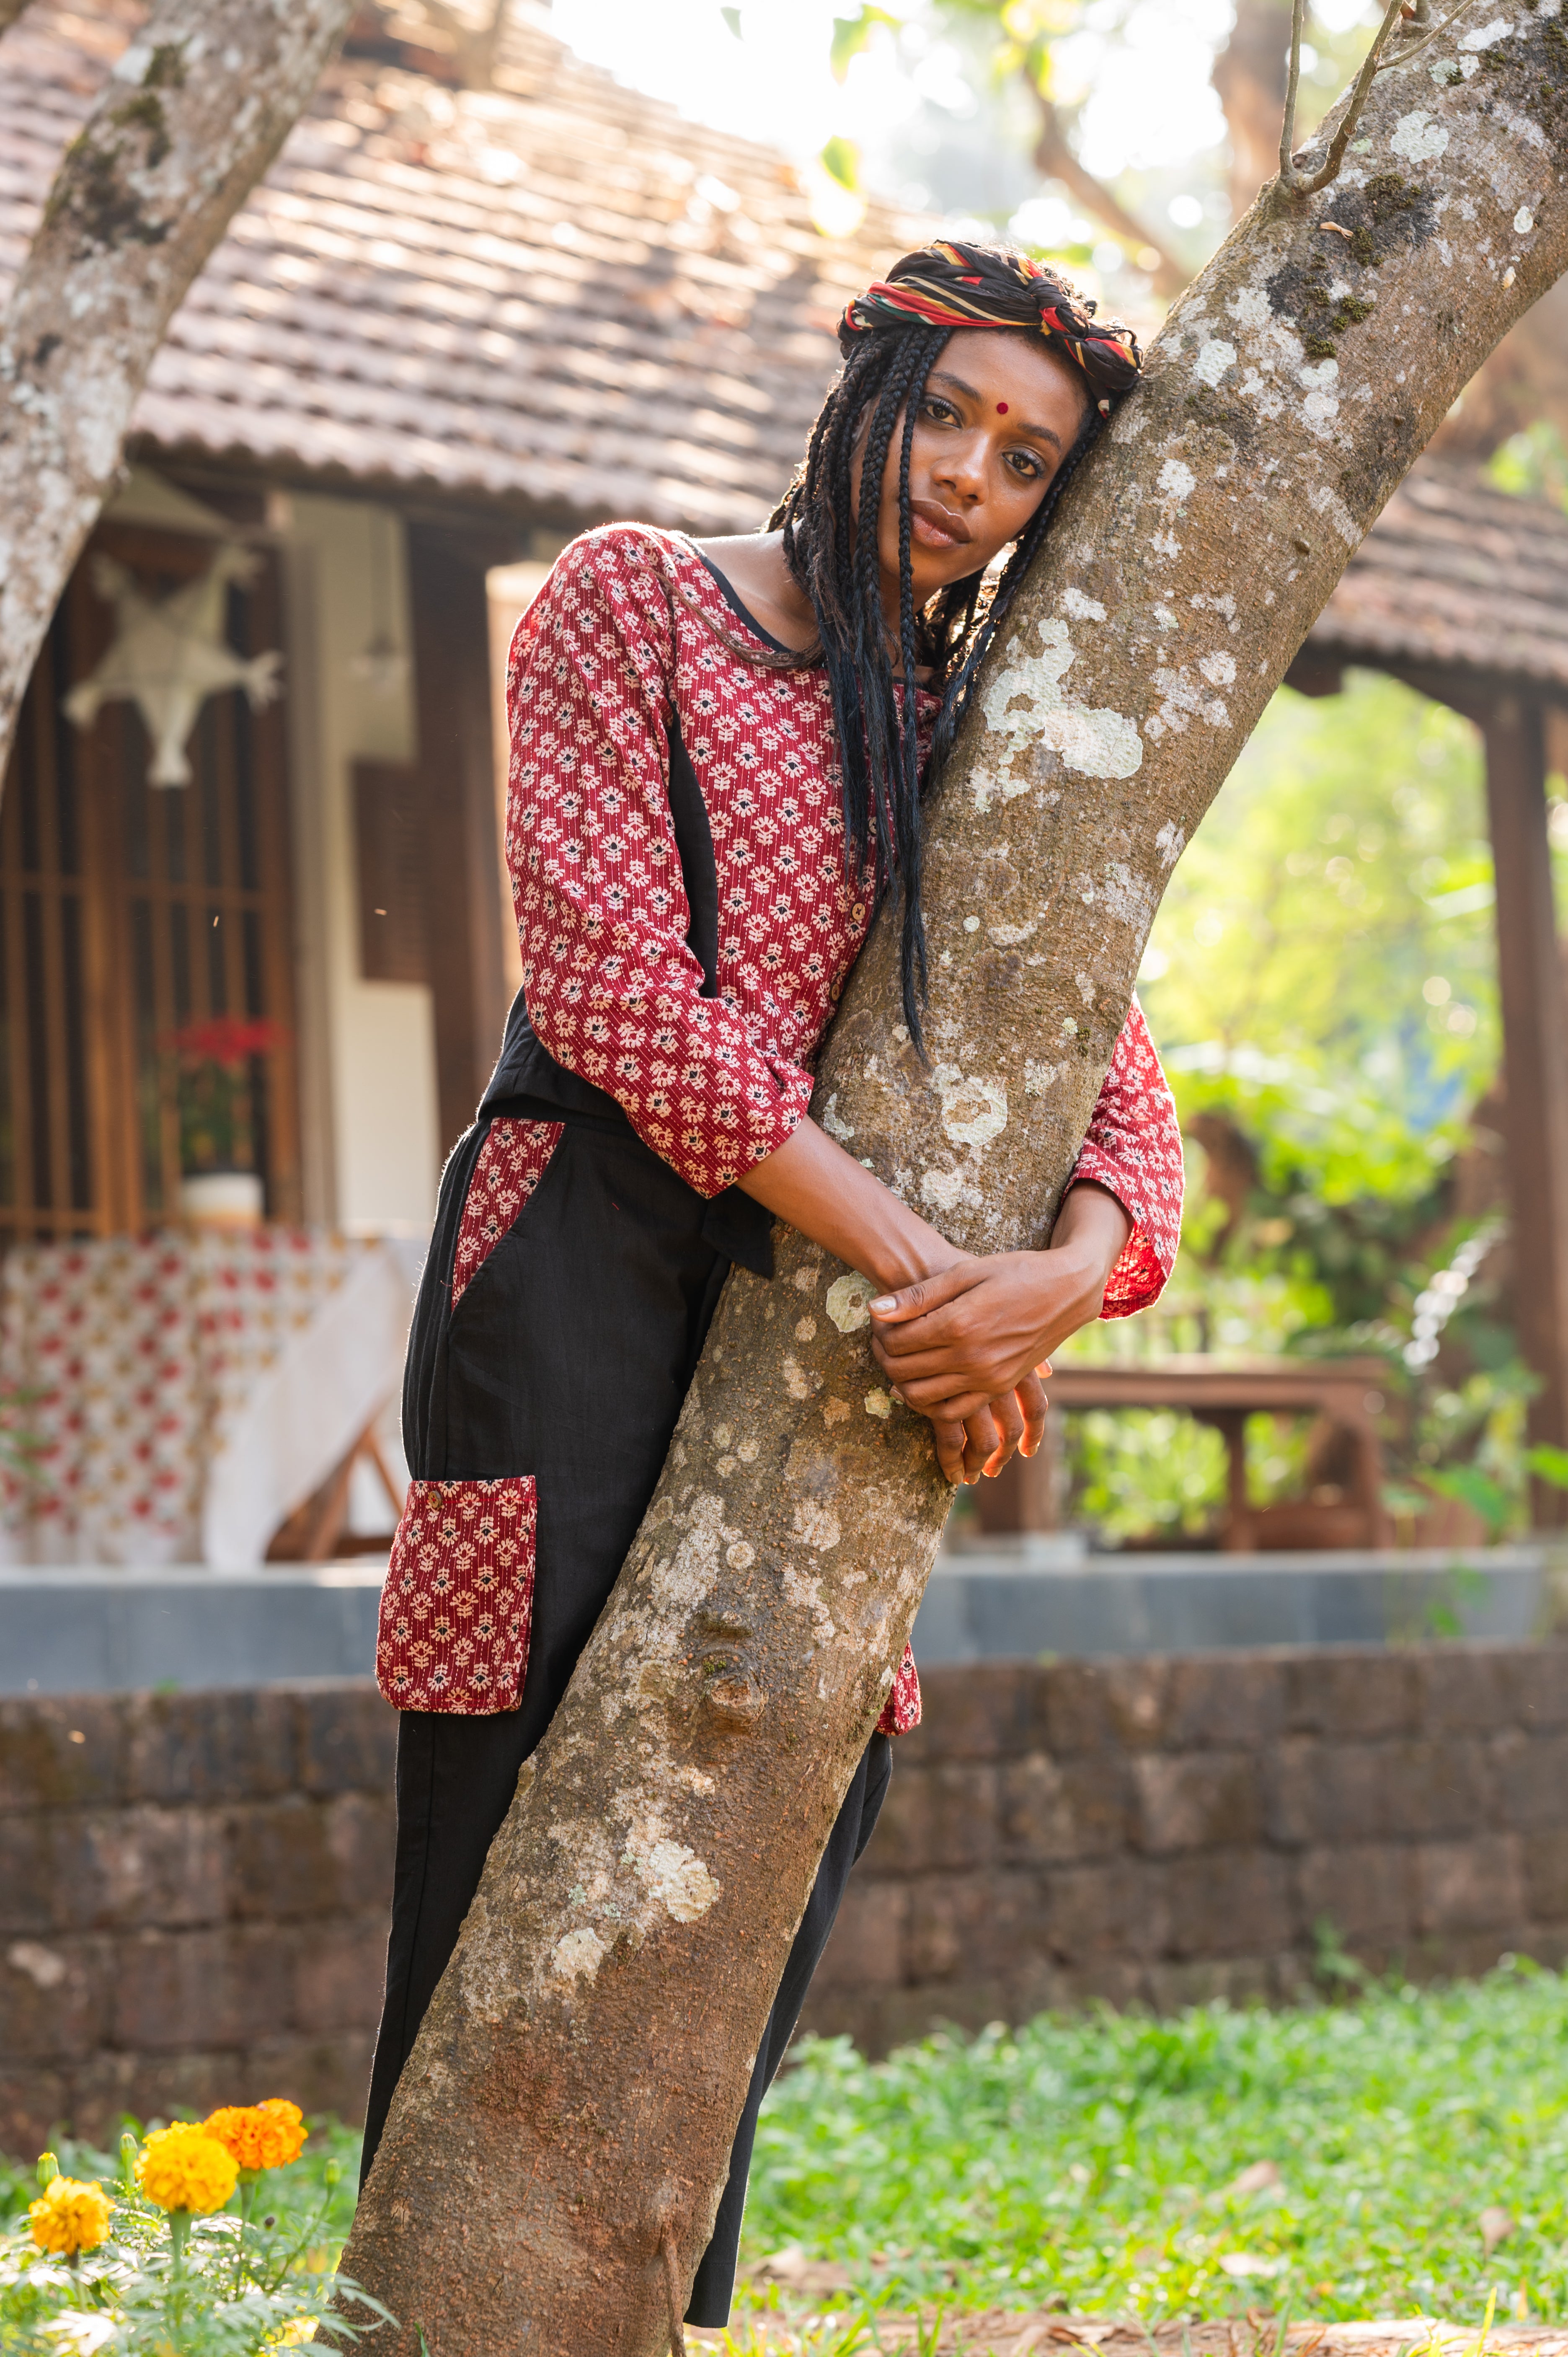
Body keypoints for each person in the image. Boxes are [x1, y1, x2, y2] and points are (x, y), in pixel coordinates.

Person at [361, 238, 1184, 2326]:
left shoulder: (990, 726)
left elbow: (1125, 1091)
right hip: (578, 1245)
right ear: (863, 392)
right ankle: (438, 2313)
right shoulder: (632, 598)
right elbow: (615, 990)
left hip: (837, 1308)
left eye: (1028, 459)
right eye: (947, 414)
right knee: (517, 1762)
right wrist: (933, 1268)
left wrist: (1053, 1289)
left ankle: (652, 2309)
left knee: (788, 1766)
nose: (972, 477)